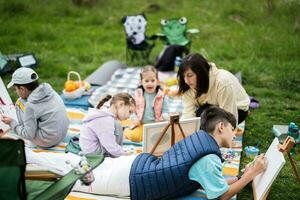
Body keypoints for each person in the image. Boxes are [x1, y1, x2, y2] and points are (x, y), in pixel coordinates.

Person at [71, 107, 267, 199]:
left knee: (73, 168)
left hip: (135, 165)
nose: (235, 134)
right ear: (222, 127)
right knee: (71, 182)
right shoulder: (208, 157)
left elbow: (216, 183)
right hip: (134, 179)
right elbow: (221, 196)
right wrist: (250, 175)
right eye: (234, 129)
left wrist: (241, 177)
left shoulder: (200, 138)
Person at [0, 67, 69, 148]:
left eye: (15, 89)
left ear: (22, 89)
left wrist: (12, 123)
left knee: (19, 102)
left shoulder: (30, 106)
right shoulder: (51, 92)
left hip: (47, 141)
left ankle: (22, 128)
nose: (16, 92)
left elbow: (28, 135)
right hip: (62, 135)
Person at [177, 53, 250, 124]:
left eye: (190, 75)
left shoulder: (222, 82)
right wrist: (185, 130)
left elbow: (230, 117)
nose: (186, 81)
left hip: (237, 108)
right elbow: (188, 114)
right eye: (183, 76)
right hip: (212, 106)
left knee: (209, 125)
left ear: (201, 73)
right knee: (199, 118)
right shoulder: (187, 86)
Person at [79, 93, 136, 157]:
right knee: (117, 126)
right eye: (130, 112)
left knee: (117, 125)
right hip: (93, 152)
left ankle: (117, 149)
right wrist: (125, 154)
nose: (129, 116)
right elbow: (110, 145)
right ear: (121, 104)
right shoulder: (106, 120)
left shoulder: (104, 112)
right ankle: (117, 152)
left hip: (88, 148)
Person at [123, 65, 169, 142]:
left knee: (164, 137)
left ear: (157, 82)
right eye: (146, 81)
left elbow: (165, 111)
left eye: (152, 80)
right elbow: (131, 111)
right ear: (141, 82)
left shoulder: (162, 96)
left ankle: (151, 138)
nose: (150, 83)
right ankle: (127, 131)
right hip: (140, 124)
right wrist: (134, 118)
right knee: (134, 135)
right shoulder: (137, 94)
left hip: (156, 125)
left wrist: (165, 117)